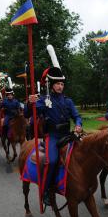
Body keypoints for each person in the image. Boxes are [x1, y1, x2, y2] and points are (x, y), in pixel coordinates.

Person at [28, 47, 82, 203]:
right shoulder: (44, 100)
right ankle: (45, 191)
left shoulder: (68, 101)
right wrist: (29, 102)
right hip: (52, 137)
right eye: (57, 84)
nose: (60, 86)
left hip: (68, 135)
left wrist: (78, 125)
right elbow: (29, 113)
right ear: (51, 85)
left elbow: (77, 116)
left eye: (62, 84)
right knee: (51, 161)